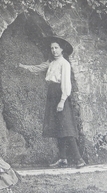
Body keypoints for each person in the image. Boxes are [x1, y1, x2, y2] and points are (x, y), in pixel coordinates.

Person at [19, 37, 86, 169]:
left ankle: (79, 159)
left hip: (61, 95)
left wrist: (62, 101)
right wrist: (22, 66)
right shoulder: (51, 62)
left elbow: (66, 83)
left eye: (56, 48)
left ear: (61, 49)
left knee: (66, 127)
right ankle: (63, 158)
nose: (54, 50)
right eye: (52, 48)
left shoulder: (64, 64)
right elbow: (38, 68)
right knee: (57, 127)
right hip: (52, 94)